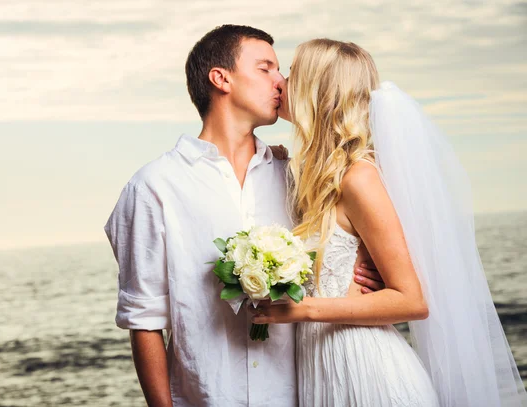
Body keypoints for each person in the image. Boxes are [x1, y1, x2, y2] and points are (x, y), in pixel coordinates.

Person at [104, 26, 383, 407]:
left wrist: (368, 264)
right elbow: (144, 319)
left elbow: (358, 238)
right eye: (266, 68)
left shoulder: (297, 176)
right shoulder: (154, 187)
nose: (281, 81)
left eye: (280, 70)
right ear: (221, 79)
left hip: (305, 396)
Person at [250, 39, 527, 406]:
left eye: (293, 73)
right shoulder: (313, 177)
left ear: (321, 90)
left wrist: (304, 310)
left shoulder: (358, 177)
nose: (282, 82)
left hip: (367, 371)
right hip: (323, 370)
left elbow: (412, 301)